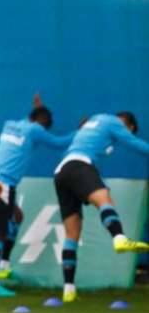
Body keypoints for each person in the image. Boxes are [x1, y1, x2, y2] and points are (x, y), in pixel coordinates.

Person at [0, 94, 75, 298]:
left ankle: (4, 265)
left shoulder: (11, 124)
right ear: (42, 123)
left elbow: (33, 121)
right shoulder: (35, 129)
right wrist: (81, 130)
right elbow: (59, 143)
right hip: (0, 185)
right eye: (45, 126)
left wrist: (40, 110)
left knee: (17, 217)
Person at [53, 111, 149, 303]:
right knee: (105, 200)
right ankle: (119, 238)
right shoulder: (114, 123)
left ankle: (68, 290)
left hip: (60, 172)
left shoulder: (95, 122)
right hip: (80, 166)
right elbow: (136, 144)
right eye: (129, 131)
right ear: (127, 125)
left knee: (72, 234)